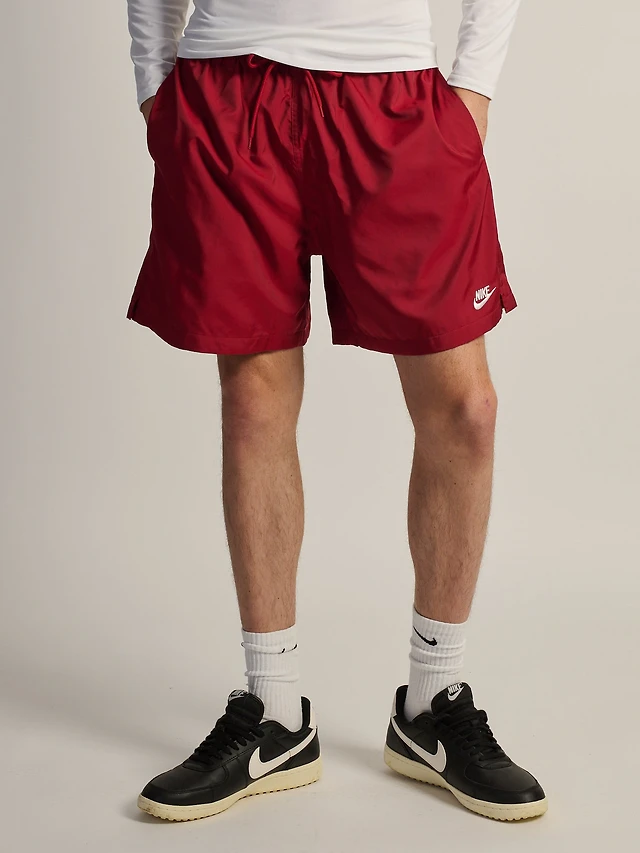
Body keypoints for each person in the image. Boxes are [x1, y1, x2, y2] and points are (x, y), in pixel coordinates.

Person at [126, 0, 547, 824]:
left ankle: (432, 704)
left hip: (394, 94)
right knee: (253, 403)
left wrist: (475, 88)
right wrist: (154, 83)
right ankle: (275, 713)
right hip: (230, 87)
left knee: (466, 408)